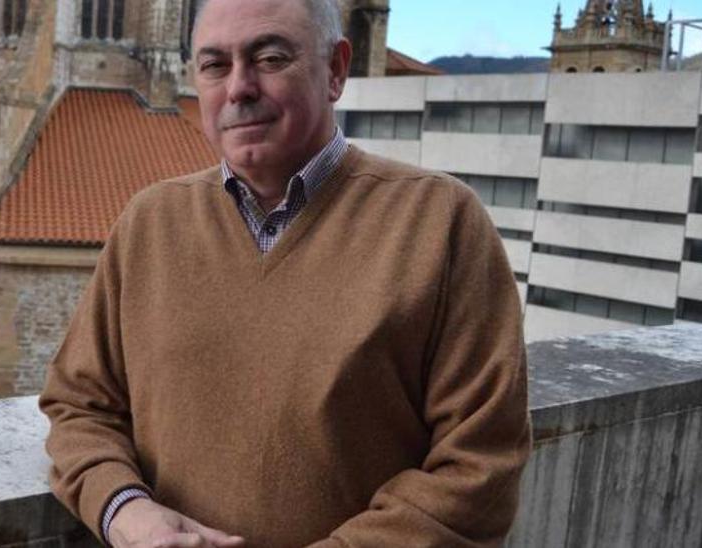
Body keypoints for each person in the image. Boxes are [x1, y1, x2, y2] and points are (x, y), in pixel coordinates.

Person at [39, 0, 532, 546]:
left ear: (336, 70)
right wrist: (124, 510)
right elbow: (79, 405)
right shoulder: (150, 224)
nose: (239, 88)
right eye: (214, 65)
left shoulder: (440, 224)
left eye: (270, 58)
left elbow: (481, 465)